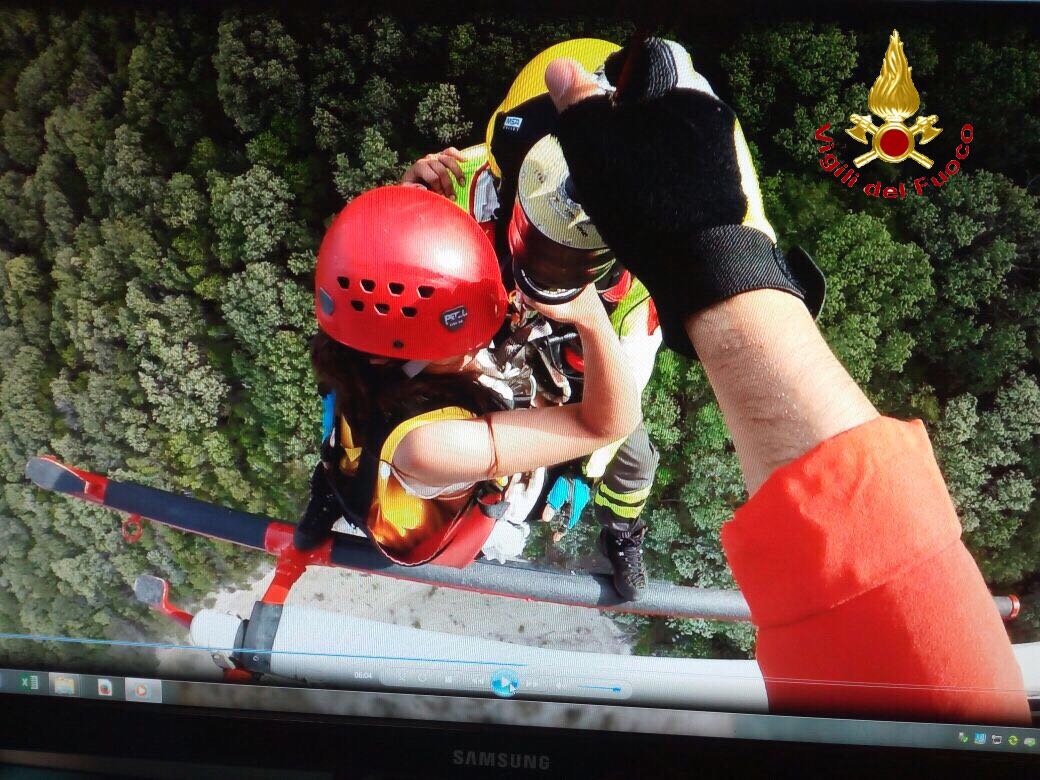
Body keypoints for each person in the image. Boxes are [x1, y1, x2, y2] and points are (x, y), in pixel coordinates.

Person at [542, 39, 1030, 725]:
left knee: (635, 460)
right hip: (535, 403)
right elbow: (921, 666)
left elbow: (918, 658)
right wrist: (717, 254)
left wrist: (711, 257)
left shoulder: (618, 302)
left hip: (580, 405)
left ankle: (620, 533)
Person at [402, 39, 663, 600]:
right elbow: (386, 271)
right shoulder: (472, 177)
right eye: (540, 232)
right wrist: (406, 200)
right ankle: (350, 462)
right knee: (396, 381)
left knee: (635, 461)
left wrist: (569, 464)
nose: (547, 266)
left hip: (577, 372)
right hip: (482, 323)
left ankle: (621, 533)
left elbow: (615, 406)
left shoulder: (642, 289)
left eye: (576, 251)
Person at [292, 185, 640, 569]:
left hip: (363, 449)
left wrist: (398, 210)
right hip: (412, 507)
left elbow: (376, 264)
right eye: (467, 335)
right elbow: (608, 424)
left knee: (348, 451)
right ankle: (334, 496)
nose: (481, 340)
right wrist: (589, 316)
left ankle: (328, 493)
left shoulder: (352, 333)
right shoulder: (430, 445)